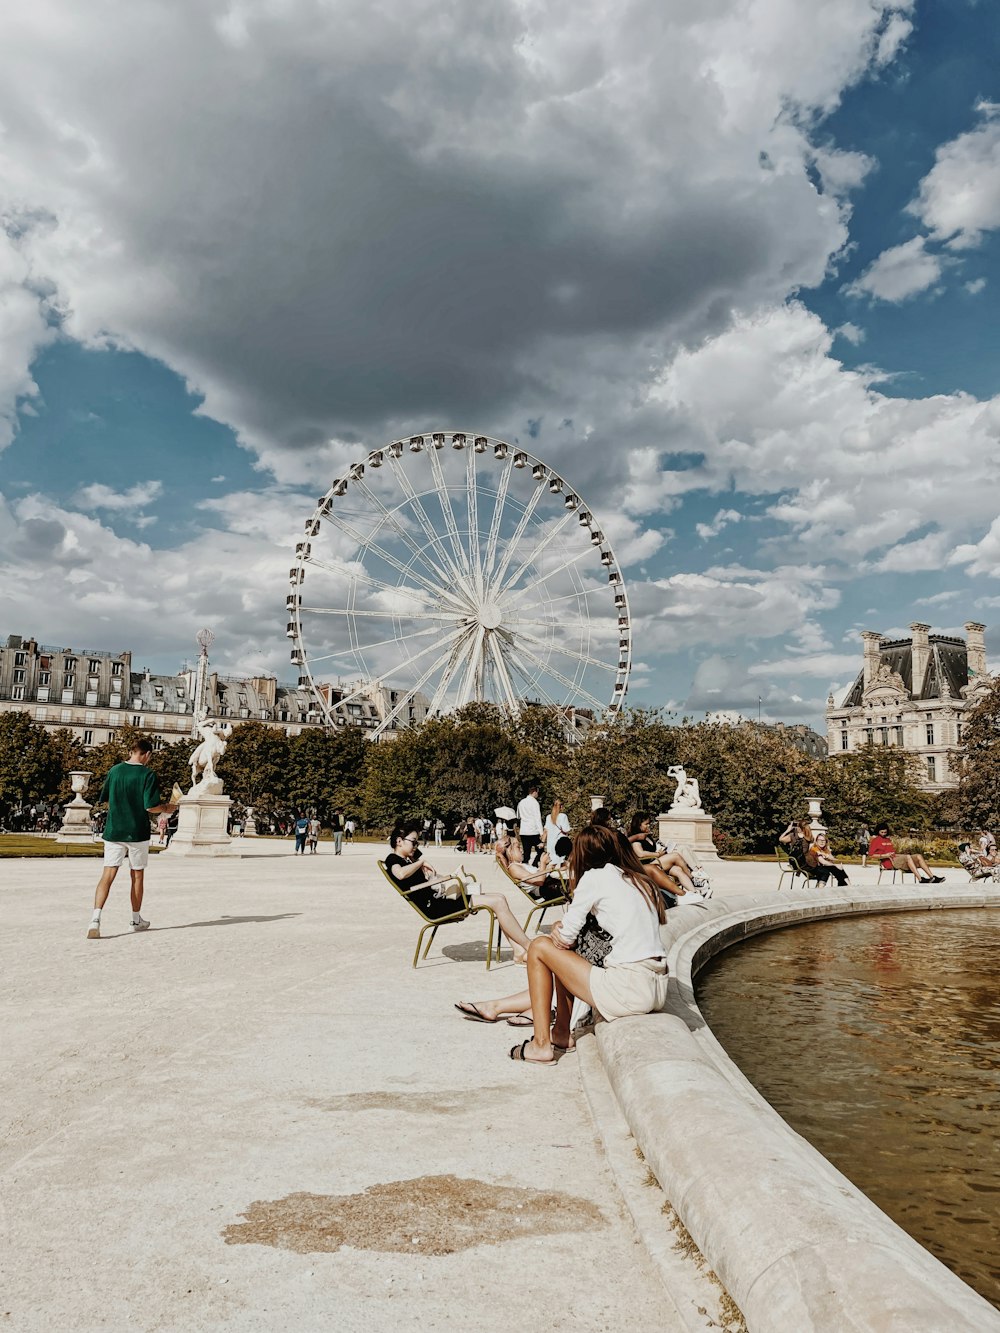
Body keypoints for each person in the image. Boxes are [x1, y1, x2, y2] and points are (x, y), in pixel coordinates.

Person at [509, 824, 668, 1064]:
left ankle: (541, 1044)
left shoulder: (595, 876)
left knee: (540, 947)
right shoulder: (637, 879)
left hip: (628, 989)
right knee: (562, 953)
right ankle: (561, 1033)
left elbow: (565, 938)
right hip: (656, 988)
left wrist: (557, 929)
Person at [384, 824, 534, 962]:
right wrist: (421, 863)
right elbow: (400, 874)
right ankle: (528, 946)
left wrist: (448, 878)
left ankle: (519, 950)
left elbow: (428, 880)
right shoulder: (393, 859)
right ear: (399, 841)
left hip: (441, 899)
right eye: (413, 842)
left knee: (499, 898)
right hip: (435, 907)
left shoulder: (411, 858)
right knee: (498, 902)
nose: (416, 846)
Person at [86, 737, 178, 939]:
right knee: (137, 876)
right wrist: (166, 808)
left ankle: (95, 919)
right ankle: (135, 920)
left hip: (114, 829)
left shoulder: (114, 770)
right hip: (137, 831)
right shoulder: (147, 774)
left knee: (107, 875)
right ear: (147, 754)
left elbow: (106, 799)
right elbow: (150, 806)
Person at [627, 814, 711, 898]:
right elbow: (640, 853)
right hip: (648, 865)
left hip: (656, 860)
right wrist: (658, 854)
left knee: (678, 869)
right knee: (675, 855)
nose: (648, 826)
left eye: (649, 823)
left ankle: (695, 894)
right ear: (638, 825)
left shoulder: (646, 836)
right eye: (646, 824)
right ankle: (693, 879)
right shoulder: (636, 839)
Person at [868, 825, 944, 884]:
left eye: (885, 832)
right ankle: (920, 879)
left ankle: (932, 877)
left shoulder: (887, 839)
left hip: (895, 857)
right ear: (878, 831)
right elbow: (871, 855)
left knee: (918, 856)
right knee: (907, 857)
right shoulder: (875, 840)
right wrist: (885, 855)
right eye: (882, 832)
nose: (884, 834)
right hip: (888, 861)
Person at [516, 784, 543, 866]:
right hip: (533, 830)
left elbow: (518, 816)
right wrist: (541, 832)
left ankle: (524, 866)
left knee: (526, 851)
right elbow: (537, 818)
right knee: (540, 851)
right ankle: (535, 864)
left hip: (524, 830)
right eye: (537, 792)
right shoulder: (535, 803)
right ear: (534, 792)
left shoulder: (521, 802)